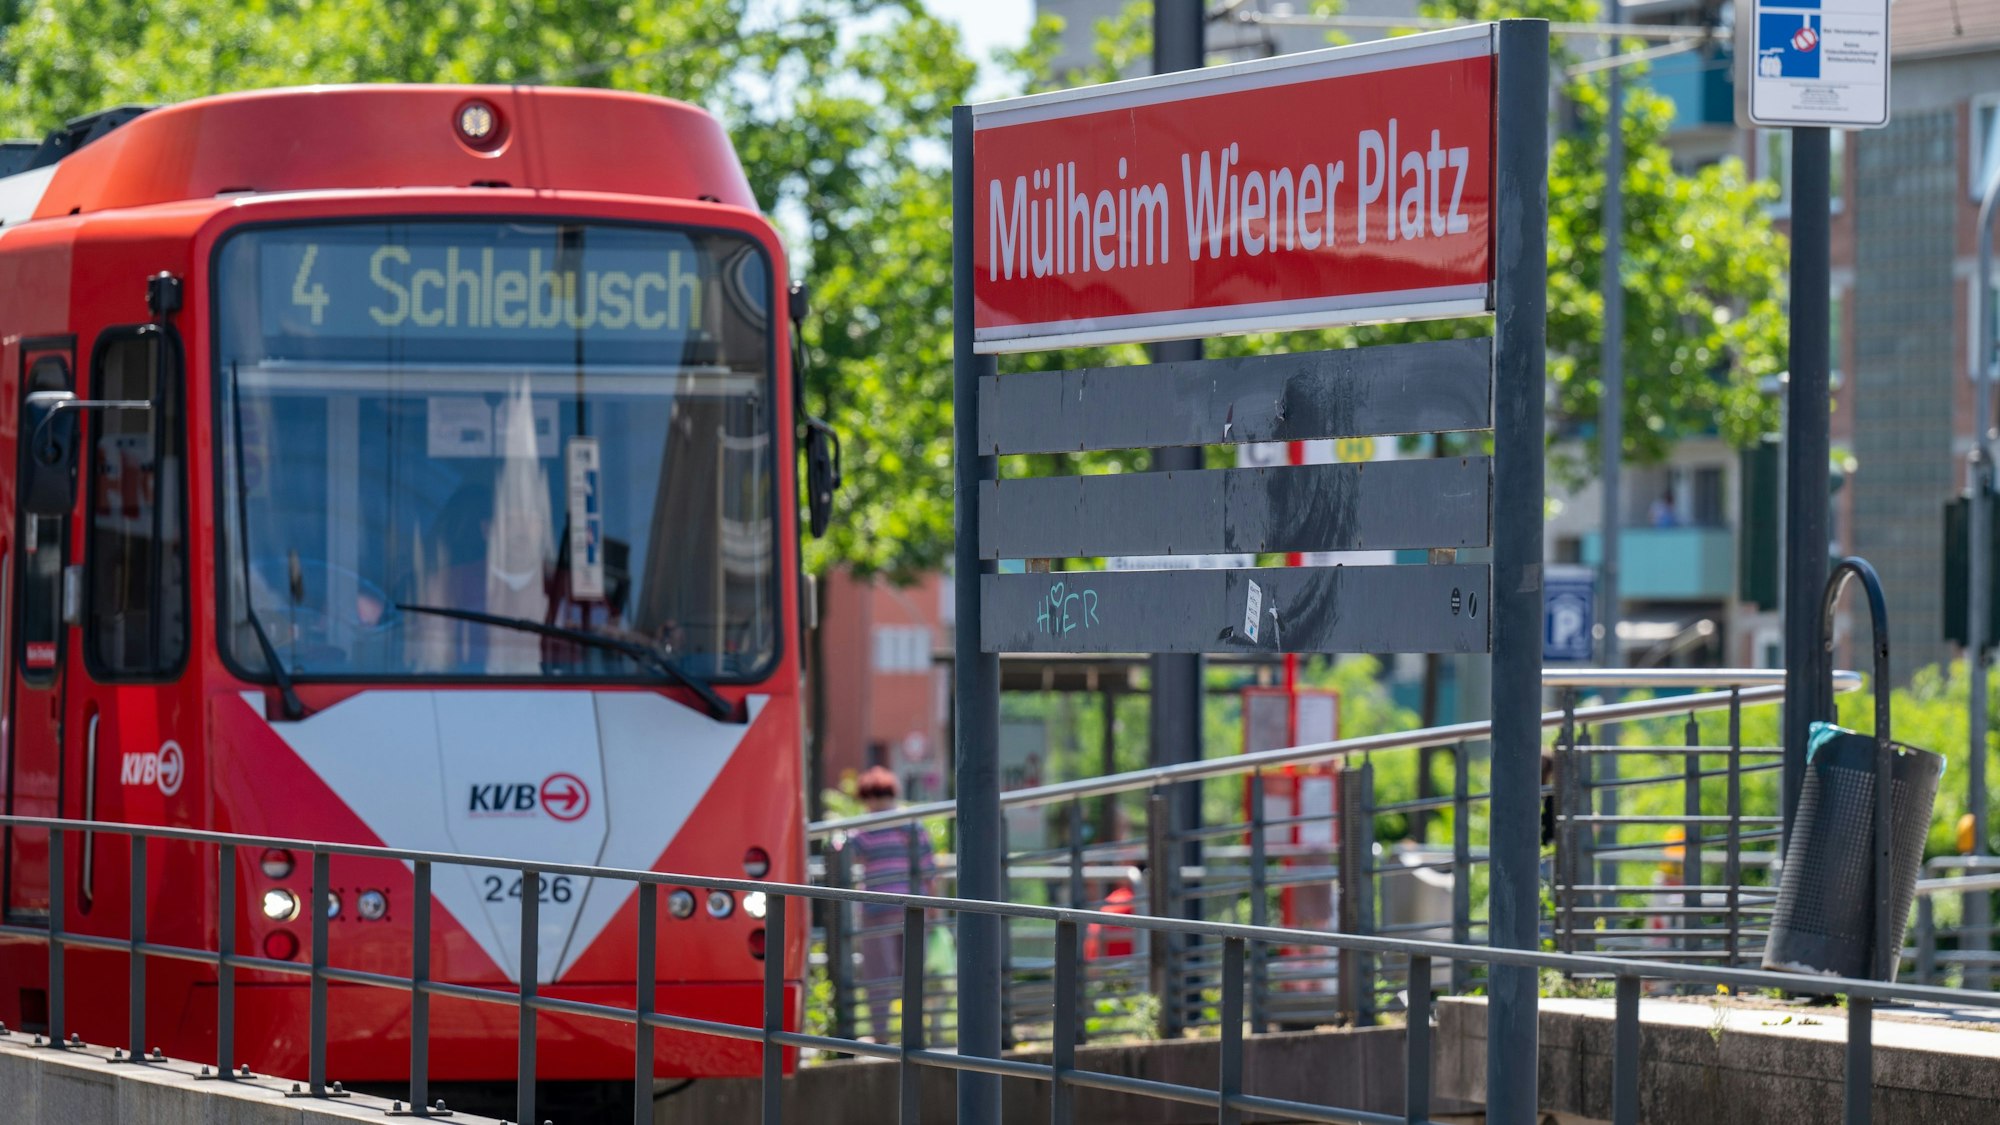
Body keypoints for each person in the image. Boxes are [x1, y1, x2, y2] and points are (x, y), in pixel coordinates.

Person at [843, 767, 937, 1041]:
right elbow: (929, 869)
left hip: (877, 908)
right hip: (912, 907)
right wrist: (932, 908)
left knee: (878, 976)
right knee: (913, 973)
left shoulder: (865, 828)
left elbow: (847, 855)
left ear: (867, 796)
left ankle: (881, 1036)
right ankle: (915, 1034)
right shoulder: (912, 824)